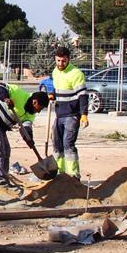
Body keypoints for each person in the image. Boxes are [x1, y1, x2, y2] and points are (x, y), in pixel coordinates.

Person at [0, 83, 49, 188]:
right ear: (35, 102)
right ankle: (0, 182)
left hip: (2, 127)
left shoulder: (30, 114)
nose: (39, 111)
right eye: (40, 108)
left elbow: (26, 128)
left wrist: (29, 140)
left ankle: (4, 180)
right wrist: (6, 99)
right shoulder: (19, 93)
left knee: (6, 150)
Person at [51, 46, 89, 176]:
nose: (61, 64)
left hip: (72, 115)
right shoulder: (55, 72)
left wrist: (84, 114)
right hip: (59, 114)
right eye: (58, 61)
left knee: (68, 144)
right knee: (57, 144)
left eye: (63, 61)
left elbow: (83, 95)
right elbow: (57, 88)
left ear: (68, 59)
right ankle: (60, 173)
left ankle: (73, 175)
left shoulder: (76, 73)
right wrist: (53, 94)